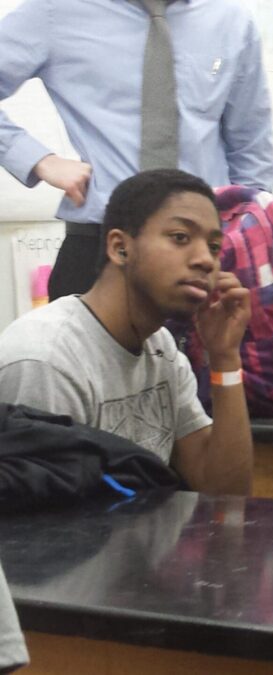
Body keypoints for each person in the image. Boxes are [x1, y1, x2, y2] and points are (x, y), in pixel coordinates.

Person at [0, 169, 254, 495]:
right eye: (180, 237)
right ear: (120, 247)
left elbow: (225, 493)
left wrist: (224, 358)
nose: (206, 260)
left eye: (215, 247)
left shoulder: (159, 347)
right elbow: (41, 532)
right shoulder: (46, 360)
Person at [0, 0, 273, 299]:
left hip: (205, 255)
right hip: (100, 248)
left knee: (217, 346)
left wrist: (241, 237)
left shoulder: (231, 21)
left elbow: (251, 147)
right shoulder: (57, 11)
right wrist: (38, 159)